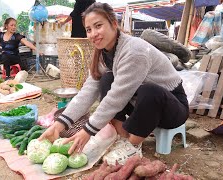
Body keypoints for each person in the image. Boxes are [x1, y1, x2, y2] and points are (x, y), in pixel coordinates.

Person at [39, 2, 189, 165]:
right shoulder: (103, 53)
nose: (93, 34)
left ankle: (133, 145)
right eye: (89, 29)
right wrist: (60, 124)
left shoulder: (134, 51)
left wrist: (87, 131)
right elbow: (88, 91)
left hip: (172, 109)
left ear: (114, 24)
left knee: (150, 91)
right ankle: (123, 138)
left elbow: (117, 97)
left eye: (98, 26)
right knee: (106, 80)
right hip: (141, 103)